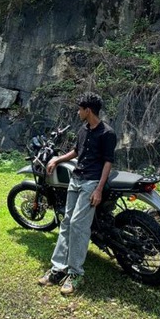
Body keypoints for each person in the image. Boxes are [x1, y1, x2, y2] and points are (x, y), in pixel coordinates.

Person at [38, 91, 117, 295]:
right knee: (66, 222)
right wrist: (57, 159)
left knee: (78, 225)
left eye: (80, 109)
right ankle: (58, 269)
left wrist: (98, 189)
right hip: (76, 179)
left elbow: (108, 162)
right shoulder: (84, 129)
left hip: (91, 183)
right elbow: (76, 151)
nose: (77, 112)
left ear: (88, 110)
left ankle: (75, 273)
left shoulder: (107, 133)